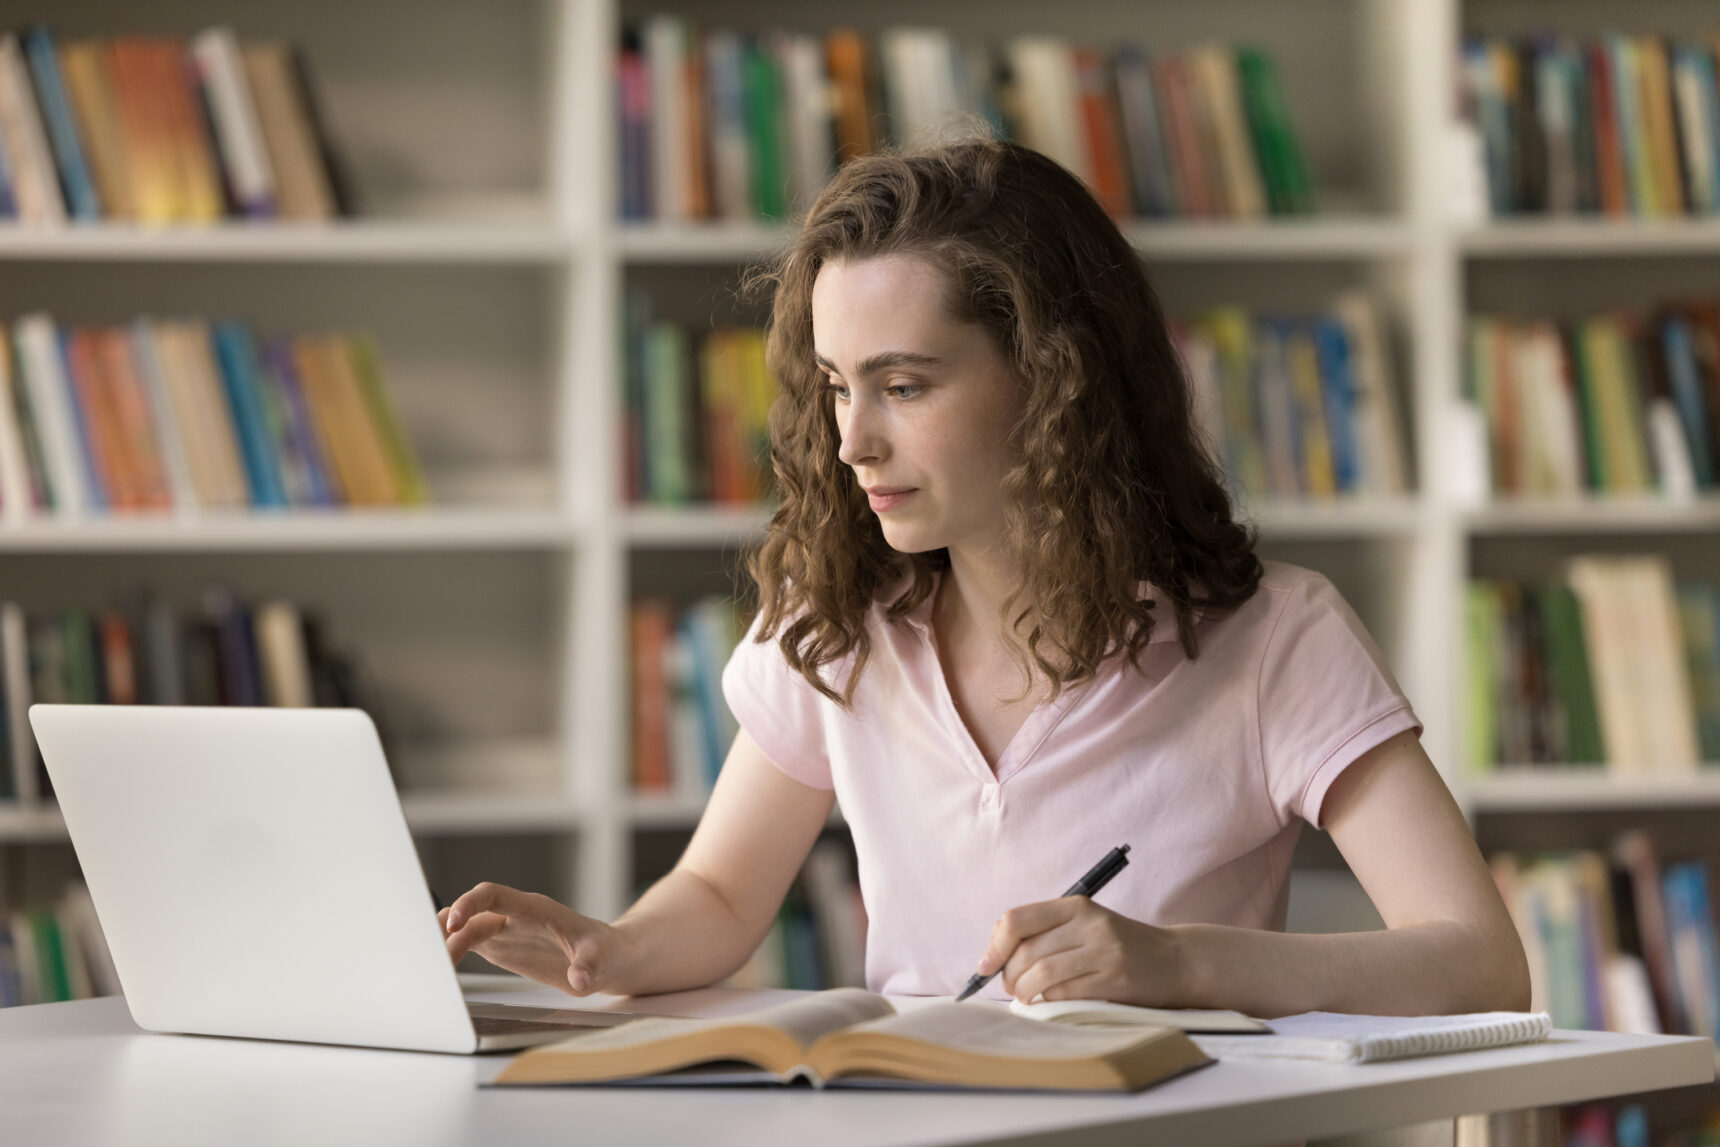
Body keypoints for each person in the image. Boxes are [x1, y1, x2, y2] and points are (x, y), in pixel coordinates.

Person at [441, 135, 1529, 1016]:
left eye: (903, 386)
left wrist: (1185, 964)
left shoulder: (1276, 638)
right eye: (834, 387)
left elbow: (1478, 963)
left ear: (1055, 380)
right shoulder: (834, 626)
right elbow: (722, 894)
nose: (851, 441)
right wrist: (612, 947)